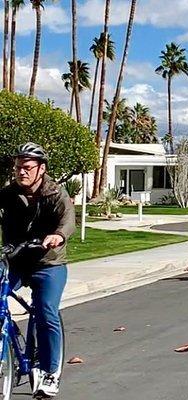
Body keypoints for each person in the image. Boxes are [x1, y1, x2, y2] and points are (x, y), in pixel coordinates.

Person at [0, 142, 75, 398]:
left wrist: (57, 236)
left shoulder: (56, 193)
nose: (21, 172)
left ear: (41, 169)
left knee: (45, 311)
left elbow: (68, 221)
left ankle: (50, 372)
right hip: (16, 261)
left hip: (49, 262)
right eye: (18, 167)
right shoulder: (8, 194)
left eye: (27, 167)